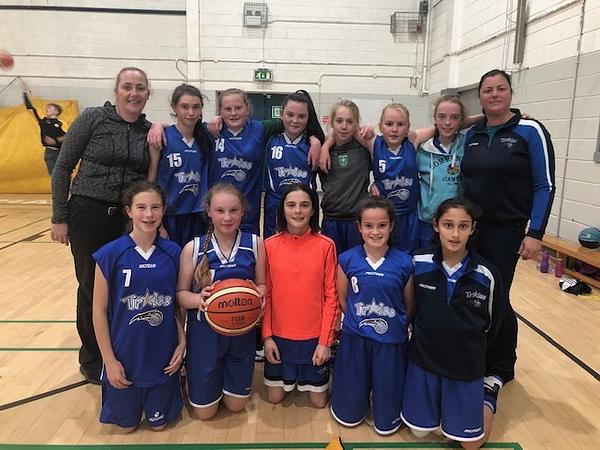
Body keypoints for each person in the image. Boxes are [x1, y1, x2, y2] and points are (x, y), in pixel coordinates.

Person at [461, 69, 555, 433]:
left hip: (508, 230)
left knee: (498, 297)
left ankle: (500, 366)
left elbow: (545, 185)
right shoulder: (472, 134)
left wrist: (536, 233)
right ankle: (480, 356)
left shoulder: (530, 131)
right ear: (480, 97)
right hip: (471, 229)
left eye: (501, 89)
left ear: (511, 93)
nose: (494, 94)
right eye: (488, 90)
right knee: (474, 294)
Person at [50, 67, 153, 384]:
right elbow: (63, 166)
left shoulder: (148, 130)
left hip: (126, 220)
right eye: (127, 86)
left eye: (140, 88)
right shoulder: (93, 118)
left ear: (147, 94)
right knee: (91, 289)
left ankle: (121, 351)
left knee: (125, 289)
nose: (133, 93)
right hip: (88, 214)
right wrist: (59, 216)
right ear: (116, 90)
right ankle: (93, 359)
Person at [401, 197, 506, 449]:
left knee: (470, 445)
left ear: (473, 228)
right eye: (448, 225)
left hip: (464, 366)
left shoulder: (488, 274)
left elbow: (493, 325)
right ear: (436, 225)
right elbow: (410, 311)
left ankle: (487, 393)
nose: (455, 234)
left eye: (463, 226)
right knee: (419, 433)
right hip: (424, 361)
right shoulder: (417, 263)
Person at [92, 181, 185, 432]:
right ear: (129, 211)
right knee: (127, 427)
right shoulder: (110, 254)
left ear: (164, 210)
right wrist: (109, 361)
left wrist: (182, 342)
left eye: (155, 207)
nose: (149, 214)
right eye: (141, 207)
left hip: (162, 358)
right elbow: (98, 311)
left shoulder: (173, 253)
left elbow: (176, 304)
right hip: (124, 356)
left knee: (159, 426)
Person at [176, 182, 267, 420]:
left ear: (243, 210)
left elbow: (262, 285)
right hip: (204, 335)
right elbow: (181, 295)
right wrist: (198, 299)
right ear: (208, 210)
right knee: (205, 413)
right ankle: (192, 377)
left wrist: (259, 294)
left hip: (242, 333)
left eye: (233, 210)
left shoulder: (255, 244)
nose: (227, 217)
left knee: (236, 406)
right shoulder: (193, 248)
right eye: (220, 210)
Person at [330, 196, 414, 435]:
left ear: (391, 226)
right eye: (368, 225)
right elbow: (343, 300)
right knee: (348, 413)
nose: (375, 232)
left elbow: (409, 306)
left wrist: (395, 326)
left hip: (391, 342)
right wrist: (359, 322)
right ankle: (353, 406)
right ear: (359, 227)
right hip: (356, 338)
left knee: (386, 413)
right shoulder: (347, 259)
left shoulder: (404, 263)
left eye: (382, 225)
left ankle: (385, 413)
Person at [262, 183, 338, 407]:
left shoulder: (326, 245)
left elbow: (332, 297)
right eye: (291, 205)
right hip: (279, 338)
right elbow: (266, 296)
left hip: (314, 339)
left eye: (304, 205)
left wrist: (325, 342)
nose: (297, 211)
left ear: (313, 210)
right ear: (282, 209)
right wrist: (267, 338)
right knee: (274, 398)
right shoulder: (268, 245)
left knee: (319, 402)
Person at [148, 84, 211, 247]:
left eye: (196, 107)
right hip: (170, 215)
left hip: (199, 215)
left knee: (196, 261)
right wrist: (158, 222)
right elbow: (151, 181)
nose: (191, 112)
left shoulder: (206, 137)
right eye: (184, 107)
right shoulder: (162, 137)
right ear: (174, 107)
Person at [263, 90, 324, 238]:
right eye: (290, 114)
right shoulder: (270, 139)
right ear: (281, 114)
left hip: (304, 206)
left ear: (309, 118)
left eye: (301, 116)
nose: (295, 120)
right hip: (275, 204)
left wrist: (320, 142)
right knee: (274, 246)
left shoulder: (316, 144)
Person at [318, 100, 372, 255]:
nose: (344, 126)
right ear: (332, 123)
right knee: (332, 264)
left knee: (355, 264)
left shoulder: (364, 147)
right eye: (339, 121)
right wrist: (325, 146)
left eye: (349, 122)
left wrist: (370, 131)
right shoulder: (323, 149)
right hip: (331, 219)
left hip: (357, 221)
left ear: (357, 124)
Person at [417, 95, 468, 249]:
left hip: (457, 223)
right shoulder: (421, 149)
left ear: (461, 120)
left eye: (454, 117)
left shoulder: (469, 144)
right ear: (435, 118)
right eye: (442, 116)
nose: (447, 122)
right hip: (428, 220)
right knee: (427, 261)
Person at [22, 82, 67, 176]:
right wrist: (25, 93)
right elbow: (31, 108)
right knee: (54, 175)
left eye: (50, 107)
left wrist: (56, 140)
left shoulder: (60, 123)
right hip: (50, 152)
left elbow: (68, 135)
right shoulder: (43, 121)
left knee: (62, 174)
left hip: (61, 152)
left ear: (56, 111)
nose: (47, 109)